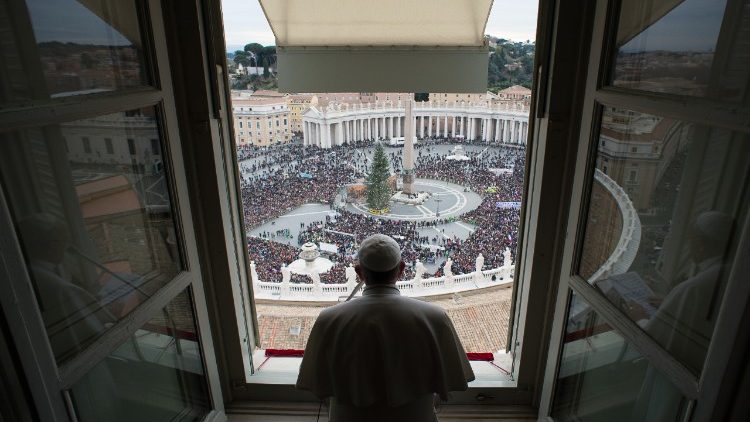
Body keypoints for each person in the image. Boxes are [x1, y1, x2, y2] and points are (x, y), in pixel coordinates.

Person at [296, 234, 474, 421]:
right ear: (402, 269)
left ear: (359, 272)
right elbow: (454, 382)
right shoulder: (436, 317)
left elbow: (315, 384)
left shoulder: (328, 319)